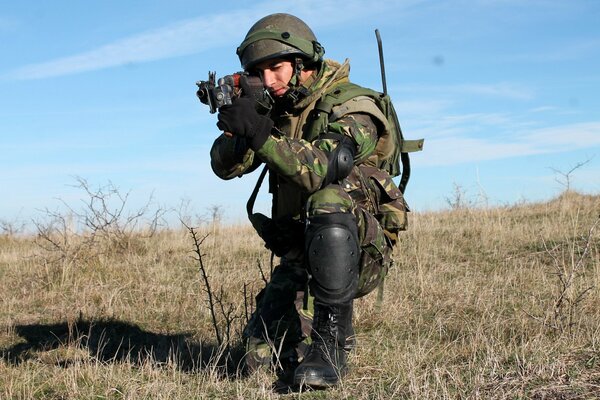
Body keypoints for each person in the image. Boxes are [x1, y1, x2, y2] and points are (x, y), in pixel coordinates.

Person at [209, 13, 410, 389]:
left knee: (329, 193)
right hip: (300, 254)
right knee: (258, 358)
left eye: (277, 68)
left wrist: (259, 131)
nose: (269, 80)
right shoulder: (277, 111)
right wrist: (239, 126)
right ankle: (303, 338)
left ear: (303, 62)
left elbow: (324, 166)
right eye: (260, 73)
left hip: (358, 252)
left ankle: (331, 346)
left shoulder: (354, 107)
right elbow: (224, 168)